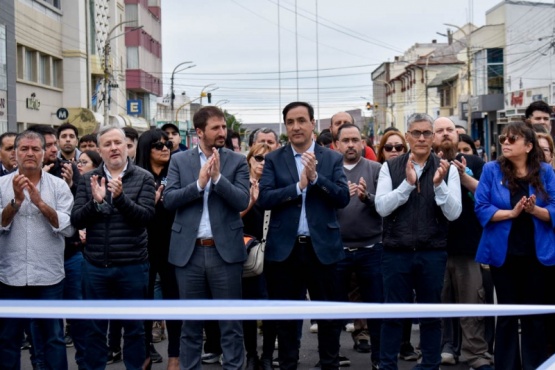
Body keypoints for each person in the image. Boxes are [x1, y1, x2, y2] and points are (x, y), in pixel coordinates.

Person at [258, 101, 350, 370]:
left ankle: (329, 364)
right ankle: (288, 364)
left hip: (322, 248)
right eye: (290, 122)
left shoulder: (331, 157)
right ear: (285, 126)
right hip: (285, 251)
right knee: (286, 317)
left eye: (301, 120)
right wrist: (298, 186)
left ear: (313, 123)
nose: (296, 127)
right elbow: (264, 198)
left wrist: (316, 178)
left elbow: (343, 197)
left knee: (329, 316)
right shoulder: (275, 158)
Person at [163, 106, 250, 370]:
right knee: (190, 324)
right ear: (199, 132)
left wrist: (218, 179)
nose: (222, 132)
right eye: (216, 128)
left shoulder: (237, 160)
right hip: (188, 253)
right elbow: (169, 200)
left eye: (223, 127)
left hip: (224, 253)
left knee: (231, 324)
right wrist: (200, 184)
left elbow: (242, 200)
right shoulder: (179, 160)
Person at [375, 113, 462, 370]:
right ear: (407, 136)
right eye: (416, 133)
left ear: (433, 137)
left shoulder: (447, 169)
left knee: (431, 317)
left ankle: (429, 365)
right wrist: (407, 186)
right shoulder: (389, 167)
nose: (422, 138)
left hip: (432, 252)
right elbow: (381, 207)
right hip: (395, 252)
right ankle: (387, 366)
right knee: (392, 317)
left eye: (426, 133)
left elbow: (454, 213)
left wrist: (439, 186)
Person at [71, 126, 155, 370]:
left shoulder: (143, 177)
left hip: (133, 266)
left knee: (135, 330)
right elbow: (76, 220)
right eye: (107, 144)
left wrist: (120, 198)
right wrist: (96, 204)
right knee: (94, 329)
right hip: (96, 266)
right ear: (99, 150)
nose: (114, 148)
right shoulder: (88, 180)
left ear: (128, 147)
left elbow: (147, 218)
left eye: (119, 142)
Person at [474, 121, 555, 370]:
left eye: (512, 139)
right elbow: (481, 207)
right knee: (507, 316)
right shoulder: (491, 169)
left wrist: (534, 210)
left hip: (537, 254)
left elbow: (554, 207)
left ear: (529, 146)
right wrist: (512, 212)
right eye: (503, 140)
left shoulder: (545, 171)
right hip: (504, 255)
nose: (506, 143)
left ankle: (536, 366)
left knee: (534, 317)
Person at [0, 130, 74, 370]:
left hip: (48, 277)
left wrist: (40, 202)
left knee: (53, 338)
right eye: (24, 149)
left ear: (44, 153)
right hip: (10, 277)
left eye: (35, 149)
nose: (29, 153)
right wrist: (16, 202)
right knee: (7, 340)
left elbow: (67, 227)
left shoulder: (59, 186)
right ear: (15, 153)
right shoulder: (2, 185)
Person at [432, 117, 493, 370]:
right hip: (435, 247)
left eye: (450, 130)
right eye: (440, 131)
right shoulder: (426, 165)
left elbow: (488, 198)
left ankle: (476, 355)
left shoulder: (477, 164)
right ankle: (445, 347)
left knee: (471, 304)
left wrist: (464, 176)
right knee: (439, 304)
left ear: (458, 135)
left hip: (469, 246)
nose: (446, 134)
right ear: (432, 136)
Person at [333, 123, 383, 370]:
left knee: (376, 308)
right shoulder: (330, 170)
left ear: (363, 143)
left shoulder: (376, 169)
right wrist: (341, 197)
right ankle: (332, 357)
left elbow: (386, 207)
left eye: (355, 140)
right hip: (337, 250)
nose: (351, 144)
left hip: (371, 249)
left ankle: (380, 360)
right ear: (337, 144)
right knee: (333, 310)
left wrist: (367, 198)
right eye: (346, 140)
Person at [135, 129, 181, 370]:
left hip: (173, 247)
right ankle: (144, 353)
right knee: (144, 304)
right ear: (146, 149)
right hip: (142, 247)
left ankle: (175, 356)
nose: (165, 148)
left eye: (167, 144)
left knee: (174, 302)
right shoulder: (134, 176)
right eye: (158, 145)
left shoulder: (175, 174)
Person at [376, 129, 419, 361]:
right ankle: (386, 357)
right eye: (388, 147)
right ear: (382, 151)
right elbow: (381, 206)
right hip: (388, 244)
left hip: (417, 244)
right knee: (391, 300)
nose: (394, 151)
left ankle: (406, 344)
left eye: (398, 147)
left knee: (412, 299)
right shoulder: (382, 171)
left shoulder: (419, 168)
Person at [241, 142, 273, 370]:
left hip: (275, 253)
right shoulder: (241, 186)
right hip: (248, 253)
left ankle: (269, 356)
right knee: (249, 308)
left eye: (268, 160)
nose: (263, 163)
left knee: (272, 307)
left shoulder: (276, 186)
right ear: (250, 160)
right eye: (259, 158)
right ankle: (251, 354)